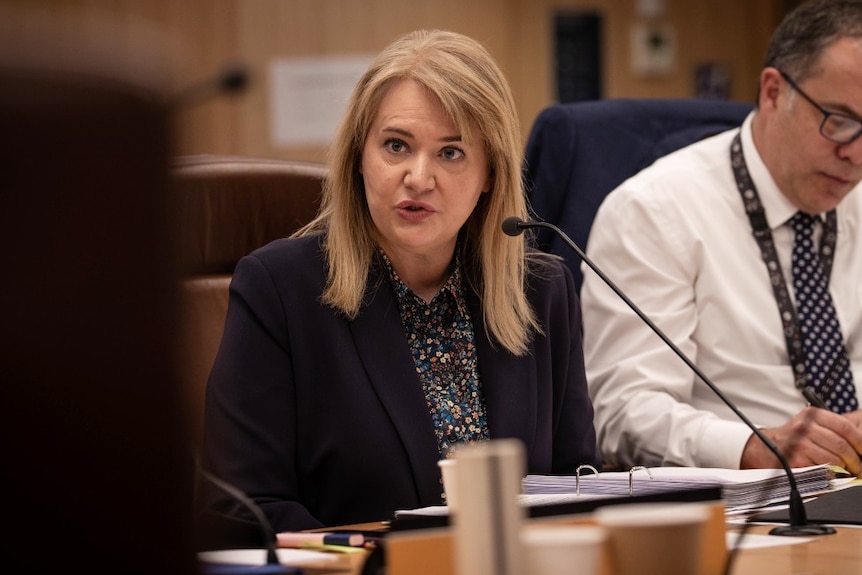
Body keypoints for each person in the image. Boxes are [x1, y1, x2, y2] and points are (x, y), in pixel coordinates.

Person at [201, 28, 599, 532]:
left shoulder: (542, 293)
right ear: (359, 160)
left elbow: (577, 487)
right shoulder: (279, 290)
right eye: (396, 146)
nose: (418, 176)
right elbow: (243, 507)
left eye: (450, 153)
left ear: (491, 175)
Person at [581, 0, 862, 475]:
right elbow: (625, 413)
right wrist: (752, 445)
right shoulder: (654, 211)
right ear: (773, 92)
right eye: (839, 121)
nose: (855, 155)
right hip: (747, 507)